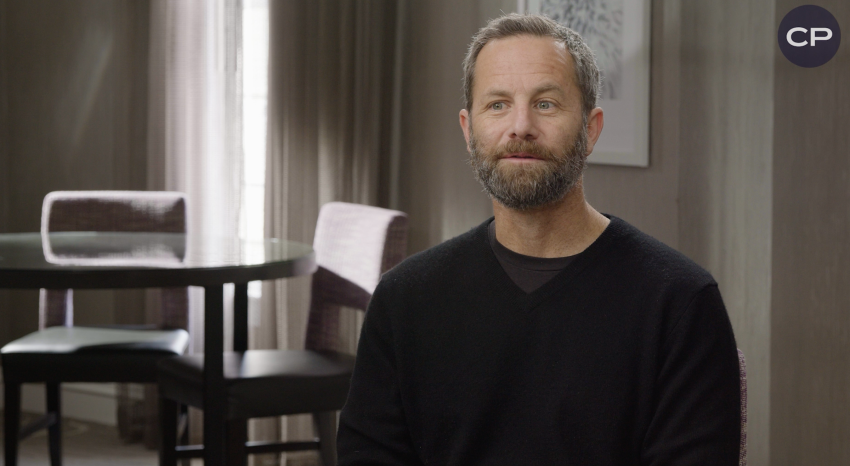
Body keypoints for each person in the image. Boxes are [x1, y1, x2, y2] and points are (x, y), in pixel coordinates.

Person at [337, 13, 741, 465]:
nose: (521, 126)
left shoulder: (681, 303)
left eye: (546, 104)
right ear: (469, 131)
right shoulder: (403, 300)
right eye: (498, 105)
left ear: (591, 129)